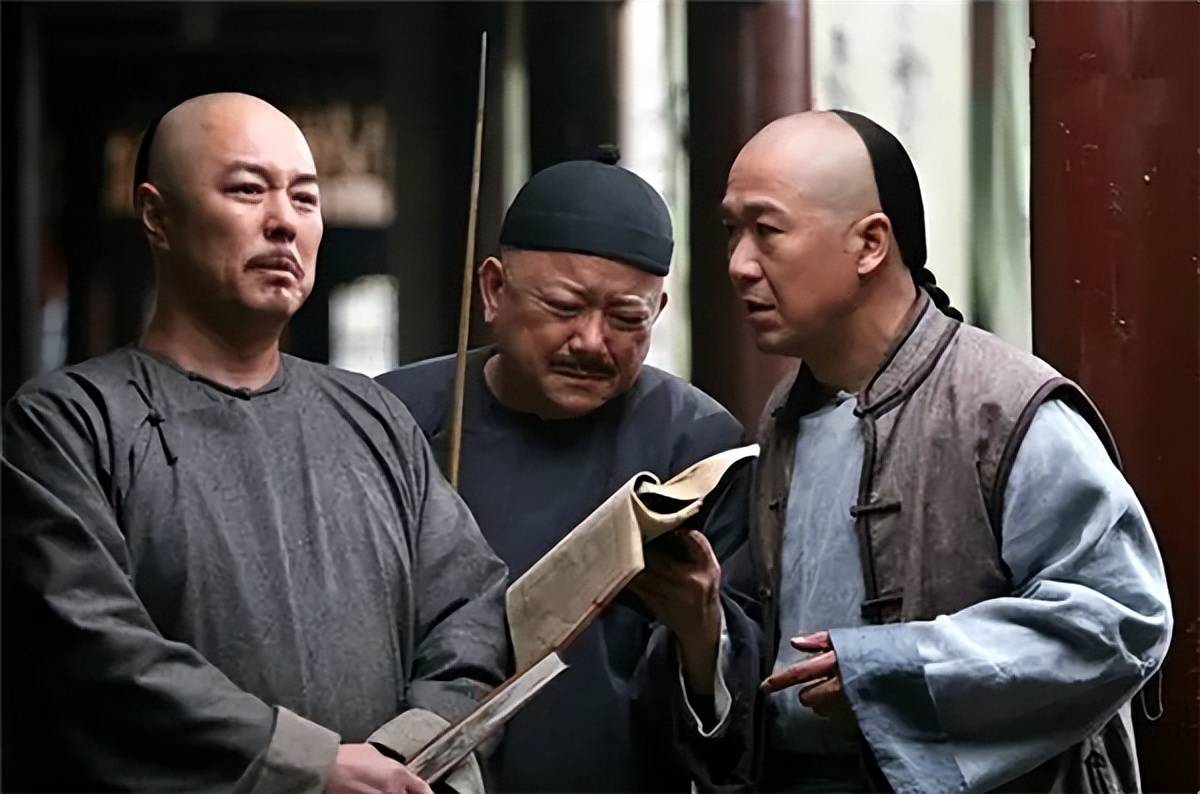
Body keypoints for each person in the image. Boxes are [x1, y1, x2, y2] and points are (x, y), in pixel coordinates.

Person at [1, 93, 509, 794]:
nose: (283, 223)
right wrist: (309, 765)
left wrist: (406, 755)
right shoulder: (69, 424)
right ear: (157, 216)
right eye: (247, 190)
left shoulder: (373, 417)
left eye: (305, 199)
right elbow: (93, 650)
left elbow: (470, 611)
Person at [716, 110, 1173, 791]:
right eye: (732, 230)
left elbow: (1122, 617)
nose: (739, 264)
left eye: (767, 231)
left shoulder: (1002, 406)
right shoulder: (787, 412)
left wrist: (893, 668)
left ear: (870, 244)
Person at [377, 153, 755, 793]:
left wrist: (702, 628)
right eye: (563, 306)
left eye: (627, 318)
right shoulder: (393, 417)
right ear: (493, 290)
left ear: (658, 311)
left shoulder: (696, 440)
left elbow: (731, 712)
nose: (591, 341)